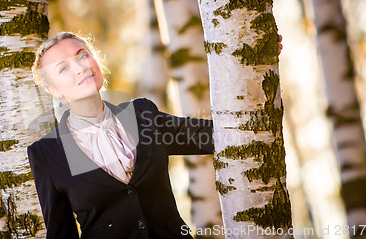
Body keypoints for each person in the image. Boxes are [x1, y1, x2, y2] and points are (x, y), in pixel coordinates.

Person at [27, 32, 283, 239]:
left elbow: (219, 135)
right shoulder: (48, 153)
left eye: (82, 56)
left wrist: (253, 65)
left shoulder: (140, 115)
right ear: (52, 89)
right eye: (63, 68)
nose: (80, 67)